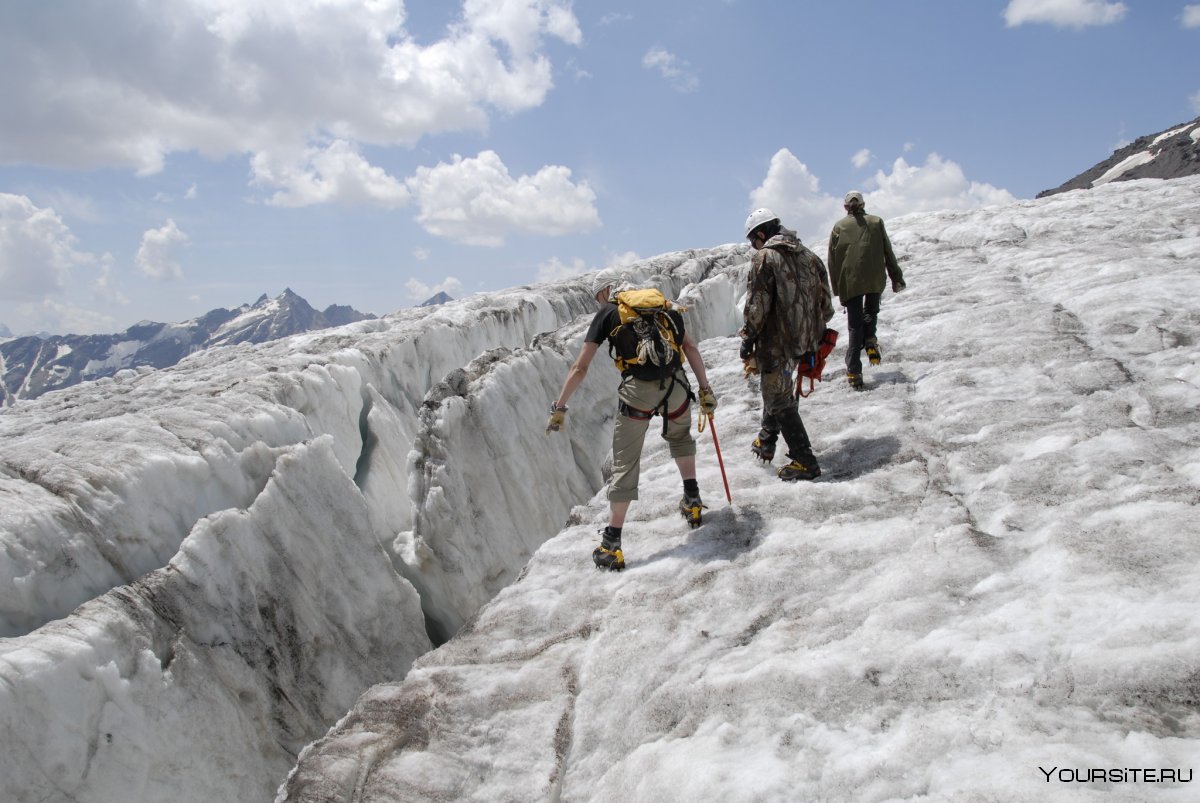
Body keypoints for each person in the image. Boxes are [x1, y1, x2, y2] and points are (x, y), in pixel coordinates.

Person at [547, 271, 718, 571]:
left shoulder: (608, 312)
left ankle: (612, 544)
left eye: (598, 296)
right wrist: (704, 389)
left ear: (605, 292)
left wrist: (560, 406)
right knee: (680, 439)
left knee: (626, 463)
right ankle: (692, 501)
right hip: (676, 387)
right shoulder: (664, 306)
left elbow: (580, 367)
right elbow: (690, 347)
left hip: (638, 393)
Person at [740, 208, 834, 482]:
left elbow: (757, 306)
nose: (752, 246)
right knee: (779, 388)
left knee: (778, 395)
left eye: (752, 240)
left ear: (761, 234)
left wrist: (748, 337)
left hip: (776, 342)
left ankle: (804, 460)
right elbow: (827, 306)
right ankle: (766, 440)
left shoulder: (765, 258)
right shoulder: (810, 256)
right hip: (807, 340)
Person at [827, 190, 906, 391]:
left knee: (854, 326)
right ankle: (870, 341)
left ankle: (854, 371)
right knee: (871, 312)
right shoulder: (876, 222)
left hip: (850, 281)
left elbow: (832, 261)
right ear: (863, 204)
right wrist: (897, 278)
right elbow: (888, 251)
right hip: (873, 278)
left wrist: (837, 289)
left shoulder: (838, 226)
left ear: (846, 207)